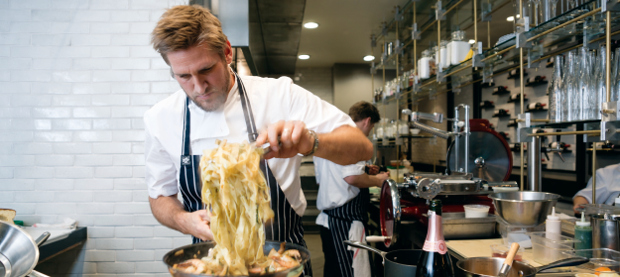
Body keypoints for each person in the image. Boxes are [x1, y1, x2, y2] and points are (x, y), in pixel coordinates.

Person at [144, 5, 373, 276]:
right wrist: (184, 221)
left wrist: (311, 143)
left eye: (206, 69)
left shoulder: (279, 95)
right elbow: (159, 195)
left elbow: (361, 147)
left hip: (282, 261)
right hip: (212, 264)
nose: (198, 86)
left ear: (227, 52)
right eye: (183, 76)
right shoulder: (161, 118)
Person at [314, 101, 390, 277]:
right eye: (371, 127)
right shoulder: (354, 139)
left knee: (332, 270)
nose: (369, 131)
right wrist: (377, 180)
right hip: (345, 222)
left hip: (328, 220)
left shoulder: (330, 135)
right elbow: (351, 178)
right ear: (367, 121)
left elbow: (334, 174)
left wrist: (364, 170)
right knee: (351, 271)